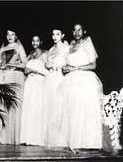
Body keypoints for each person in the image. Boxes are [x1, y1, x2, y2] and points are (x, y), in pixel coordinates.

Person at [45, 23, 104, 152]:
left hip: (84, 79)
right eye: (75, 30)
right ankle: (73, 140)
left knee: (83, 109)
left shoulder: (88, 44)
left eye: (79, 30)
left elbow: (93, 65)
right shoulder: (70, 46)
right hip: (71, 79)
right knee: (71, 111)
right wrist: (66, 68)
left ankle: (87, 142)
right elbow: (67, 62)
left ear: (84, 31)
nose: (77, 33)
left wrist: (75, 68)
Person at [0, 29, 27, 145]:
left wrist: (10, 64)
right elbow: (1, 64)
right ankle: (7, 137)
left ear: (16, 36)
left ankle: (16, 137)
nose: (10, 37)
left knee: (16, 105)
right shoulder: (3, 49)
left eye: (12, 34)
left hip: (16, 76)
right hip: (6, 77)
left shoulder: (19, 47)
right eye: (8, 34)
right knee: (6, 106)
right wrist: (1, 66)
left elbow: (24, 64)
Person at [20, 35, 49, 146]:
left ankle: (38, 139)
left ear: (41, 42)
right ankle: (28, 138)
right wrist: (28, 70)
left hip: (39, 82)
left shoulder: (45, 54)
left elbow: (47, 71)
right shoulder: (31, 54)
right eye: (33, 41)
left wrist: (34, 71)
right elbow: (24, 68)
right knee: (29, 109)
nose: (35, 43)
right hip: (30, 83)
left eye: (37, 41)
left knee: (38, 108)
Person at [42, 27, 70, 140]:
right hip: (50, 78)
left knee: (59, 105)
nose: (55, 37)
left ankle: (60, 138)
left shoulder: (66, 48)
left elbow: (67, 64)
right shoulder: (51, 49)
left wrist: (53, 66)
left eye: (58, 34)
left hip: (60, 77)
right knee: (49, 104)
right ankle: (50, 137)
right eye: (53, 34)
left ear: (62, 35)